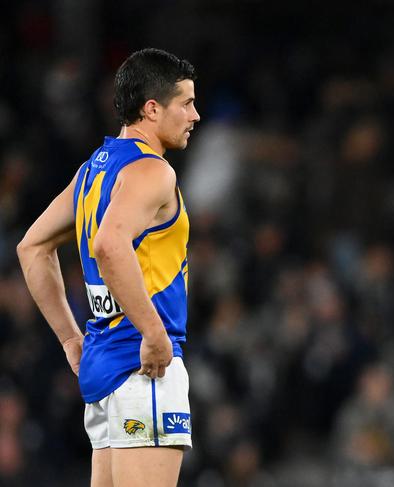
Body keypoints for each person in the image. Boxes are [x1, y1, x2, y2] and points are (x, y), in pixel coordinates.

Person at [17, 48, 200, 487]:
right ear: (152, 109)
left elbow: (32, 246)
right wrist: (154, 334)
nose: (195, 115)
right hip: (144, 368)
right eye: (187, 103)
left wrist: (69, 338)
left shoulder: (91, 172)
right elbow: (109, 245)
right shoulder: (153, 171)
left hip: (104, 371)